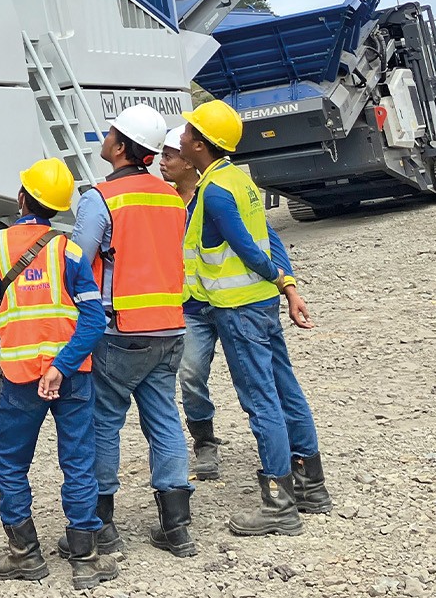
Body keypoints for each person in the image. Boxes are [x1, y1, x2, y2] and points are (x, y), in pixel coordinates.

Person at [0, 159, 119, 588]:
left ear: (22, 198)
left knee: (11, 462)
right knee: (78, 461)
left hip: (20, 376)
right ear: (57, 208)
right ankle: (85, 559)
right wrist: (61, 366)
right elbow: (94, 319)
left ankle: (25, 555)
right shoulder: (69, 251)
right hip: (72, 376)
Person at [177, 100, 332, 536]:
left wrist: (280, 277)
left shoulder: (214, 191)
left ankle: (279, 504)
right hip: (260, 305)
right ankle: (311, 486)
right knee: (285, 390)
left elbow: (249, 249)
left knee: (261, 402)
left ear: (201, 145)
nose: (182, 137)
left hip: (239, 310)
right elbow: (265, 236)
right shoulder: (237, 180)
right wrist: (284, 287)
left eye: (188, 132)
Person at [66, 105, 197, 559]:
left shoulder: (100, 198)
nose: (103, 138)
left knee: (103, 423)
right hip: (169, 327)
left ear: (121, 147)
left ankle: (101, 526)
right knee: (164, 419)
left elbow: (77, 263)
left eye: (109, 133)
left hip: (119, 330)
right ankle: (177, 528)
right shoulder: (171, 198)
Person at [161, 126, 299, 484]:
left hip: (232, 303)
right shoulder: (165, 202)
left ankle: (283, 469)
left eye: (170, 154)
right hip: (194, 306)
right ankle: (204, 440)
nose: (162, 161)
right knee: (192, 376)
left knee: (261, 390)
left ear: (190, 158)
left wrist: (287, 283)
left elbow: (264, 239)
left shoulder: (216, 192)